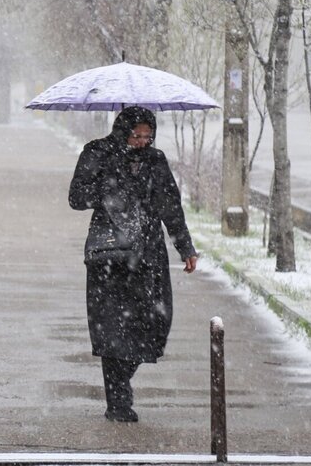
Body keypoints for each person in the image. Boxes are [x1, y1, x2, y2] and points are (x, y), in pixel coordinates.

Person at [68, 106, 198, 423]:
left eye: (147, 136)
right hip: (109, 256)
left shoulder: (155, 160)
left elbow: (170, 205)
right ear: (122, 130)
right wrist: (108, 188)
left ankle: (120, 381)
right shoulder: (97, 152)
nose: (142, 141)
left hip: (148, 256)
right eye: (136, 135)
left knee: (154, 324)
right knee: (112, 329)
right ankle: (119, 402)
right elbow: (75, 197)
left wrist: (185, 246)